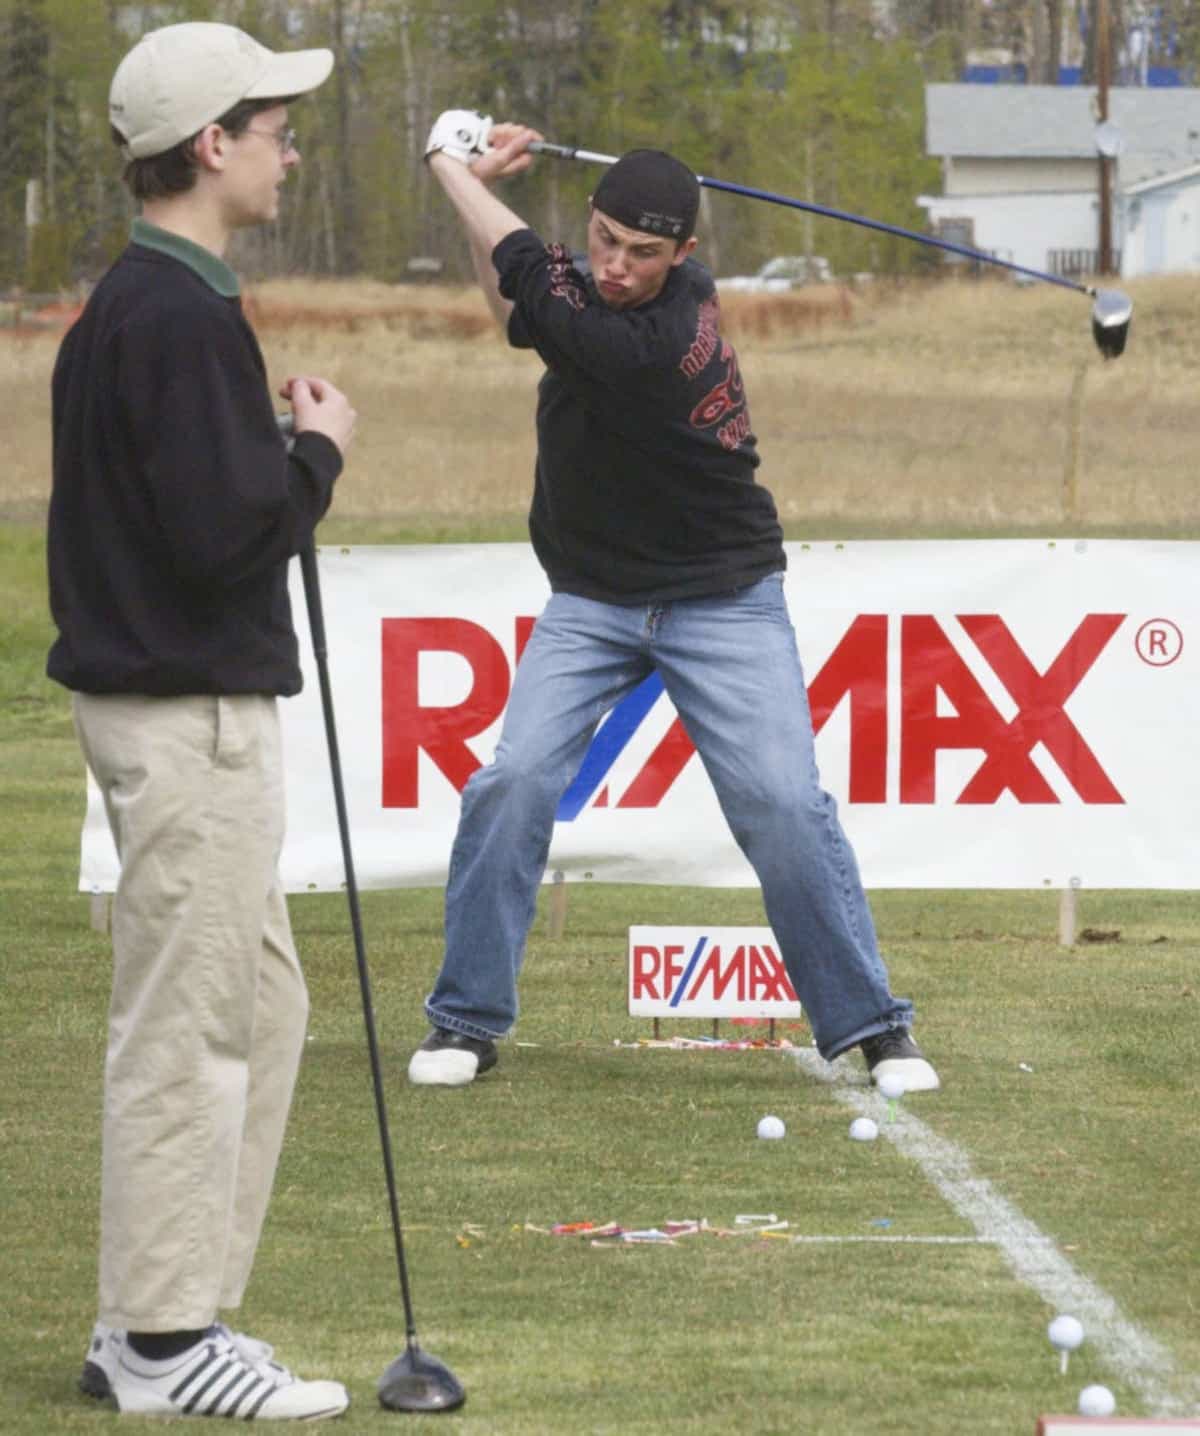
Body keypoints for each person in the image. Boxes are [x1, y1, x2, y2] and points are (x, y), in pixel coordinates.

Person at [406, 112, 940, 1097]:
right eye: (603, 240)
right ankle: (464, 1020)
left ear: (684, 254)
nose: (614, 266)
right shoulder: (584, 291)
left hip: (720, 595)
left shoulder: (666, 333)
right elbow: (515, 304)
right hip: (594, 597)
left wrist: (449, 165)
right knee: (513, 781)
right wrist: (489, 202)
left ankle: (875, 1026)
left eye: (641, 253)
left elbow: (537, 283)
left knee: (783, 805)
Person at [47, 21, 357, 1421]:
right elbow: (226, 538)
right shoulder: (172, 315)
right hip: (188, 721)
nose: (290, 144)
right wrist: (319, 453)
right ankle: (164, 1343)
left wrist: (278, 456)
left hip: (179, 710)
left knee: (257, 1006)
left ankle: (169, 1319)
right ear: (211, 144)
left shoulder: (163, 302)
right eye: (272, 123)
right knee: (191, 1026)